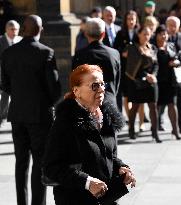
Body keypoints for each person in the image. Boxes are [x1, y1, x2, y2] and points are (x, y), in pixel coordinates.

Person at [43, 64, 136, 205]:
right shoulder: (65, 121)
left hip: (107, 198)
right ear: (77, 91)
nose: (101, 90)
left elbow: (109, 154)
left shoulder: (106, 116)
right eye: (94, 86)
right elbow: (51, 167)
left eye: (102, 84)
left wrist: (121, 167)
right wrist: (87, 182)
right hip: (75, 199)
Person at [1, 15, 61, 205]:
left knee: (21, 162)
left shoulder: (9, 53)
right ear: (40, 30)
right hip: (39, 116)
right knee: (39, 162)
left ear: (24, 29)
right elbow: (55, 90)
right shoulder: (46, 52)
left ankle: (21, 202)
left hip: (17, 114)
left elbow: (5, 85)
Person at [72, 18, 121, 107]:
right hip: (109, 102)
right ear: (103, 34)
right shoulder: (114, 54)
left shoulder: (80, 55)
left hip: (86, 104)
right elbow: (116, 81)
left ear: (86, 34)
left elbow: (75, 81)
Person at [125, 26, 161, 143]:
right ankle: (131, 130)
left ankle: (155, 133)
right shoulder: (133, 48)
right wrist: (146, 76)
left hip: (151, 82)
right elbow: (133, 67)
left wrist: (153, 75)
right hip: (137, 81)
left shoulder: (152, 47)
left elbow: (156, 64)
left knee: (153, 107)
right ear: (139, 34)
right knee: (135, 106)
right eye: (144, 33)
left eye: (148, 34)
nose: (146, 36)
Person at [155, 25, 181, 140]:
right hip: (159, 81)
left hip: (171, 80)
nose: (164, 36)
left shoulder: (171, 45)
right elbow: (154, 62)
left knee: (172, 104)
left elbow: (177, 58)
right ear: (156, 35)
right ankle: (155, 131)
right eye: (161, 34)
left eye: (165, 34)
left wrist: (176, 62)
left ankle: (175, 130)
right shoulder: (153, 47)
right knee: (158, 107)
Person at [114, 10, 139, 115]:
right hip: (125, 67)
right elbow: (115, 49)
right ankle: (129, 117)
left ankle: (137, 115)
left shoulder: (139, 32)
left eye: (133, 19)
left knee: (137, 93)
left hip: (137, 67)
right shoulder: (121, 33)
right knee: (126, 93)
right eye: (129, 19)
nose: (131, 21)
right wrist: (122, 53)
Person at [0, 20, 21, 126]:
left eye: (16, 29)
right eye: (12, 29)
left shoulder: (21, 41)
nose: (14, 32)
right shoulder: (1, 41)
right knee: (4, 96)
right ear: (6, 29)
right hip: (3, 75)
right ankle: (1, 117)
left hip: (18, 76)